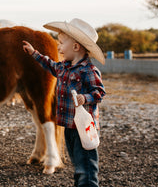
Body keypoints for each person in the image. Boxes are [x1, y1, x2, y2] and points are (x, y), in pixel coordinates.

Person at [22, 18, 106, 187]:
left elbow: (99, 92)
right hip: (69, 125)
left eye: (61, 43)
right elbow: (49, 64)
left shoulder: (88, 70)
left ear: (76, 47)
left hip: (84, 127)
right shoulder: (64, 67)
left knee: (87, 167)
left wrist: (86, 98)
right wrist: (33, 53)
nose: (58, 47)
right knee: (78, 164)